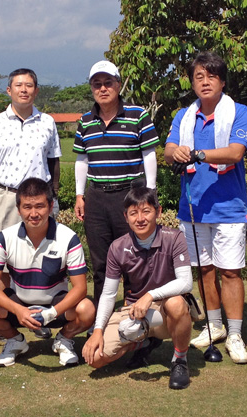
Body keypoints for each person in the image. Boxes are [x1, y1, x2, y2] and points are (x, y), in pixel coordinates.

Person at [164, 51, 247, 364]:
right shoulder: (184, 116)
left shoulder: (238, 112)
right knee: (204, 270)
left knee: (230, 272)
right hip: (192, 207)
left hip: (228, 207)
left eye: (210, 76)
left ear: (222, 81)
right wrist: (176, 153)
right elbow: (169, 149)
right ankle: (214, 325)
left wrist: (197, 154)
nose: (204, 82)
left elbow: (234, 153)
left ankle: (236, 333)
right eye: (198, 76)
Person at [0, 68, 62, 339]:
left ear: (36, 91)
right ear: (9, 90)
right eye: (18, 85)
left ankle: (40, 316)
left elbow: (54, 161)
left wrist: (55, 196)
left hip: (40, 199)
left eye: (29, 85)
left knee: (42, 257)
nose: (24, 90)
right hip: (6, 197)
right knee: (1, 262)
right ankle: (5, 320)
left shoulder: (47, 122)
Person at [0, 178, 95, 367]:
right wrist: (18, 310)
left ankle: (63, 339)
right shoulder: (4, 238)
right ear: (18, 208)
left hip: (56, 304)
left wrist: (52, 313)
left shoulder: (68, 238)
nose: (33, 213)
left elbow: (80, 288)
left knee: (87, 309)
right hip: (19, 303)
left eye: (39, 206)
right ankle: (15, 340)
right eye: (27, 207)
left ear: (50, 206)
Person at [82, 187, 193, 390]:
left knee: (176, 303)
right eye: (133, 213)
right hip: (134, 312)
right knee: (95, 359)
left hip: (167, 309)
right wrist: (97, 331)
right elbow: (108, 294)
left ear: (158, 212)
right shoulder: (117, 247)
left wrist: (150, 295)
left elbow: (186, 282)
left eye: (146, 211)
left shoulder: (174, 237)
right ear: (126, 217)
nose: (140, 219)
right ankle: (143, 342)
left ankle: (180, 361)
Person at [73, 60, 159, 301]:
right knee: (101, 263)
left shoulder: (137, 115)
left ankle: (137, 319)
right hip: (97, 198)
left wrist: (150, 192)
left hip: (129, 196)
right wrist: (80, 195)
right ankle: (102, 320)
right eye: (97, 84)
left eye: (108, 83)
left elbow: (149, 154)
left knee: (135, 258)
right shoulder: (85, 121)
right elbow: (82, 159)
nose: (102, 88)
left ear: (118, 85)